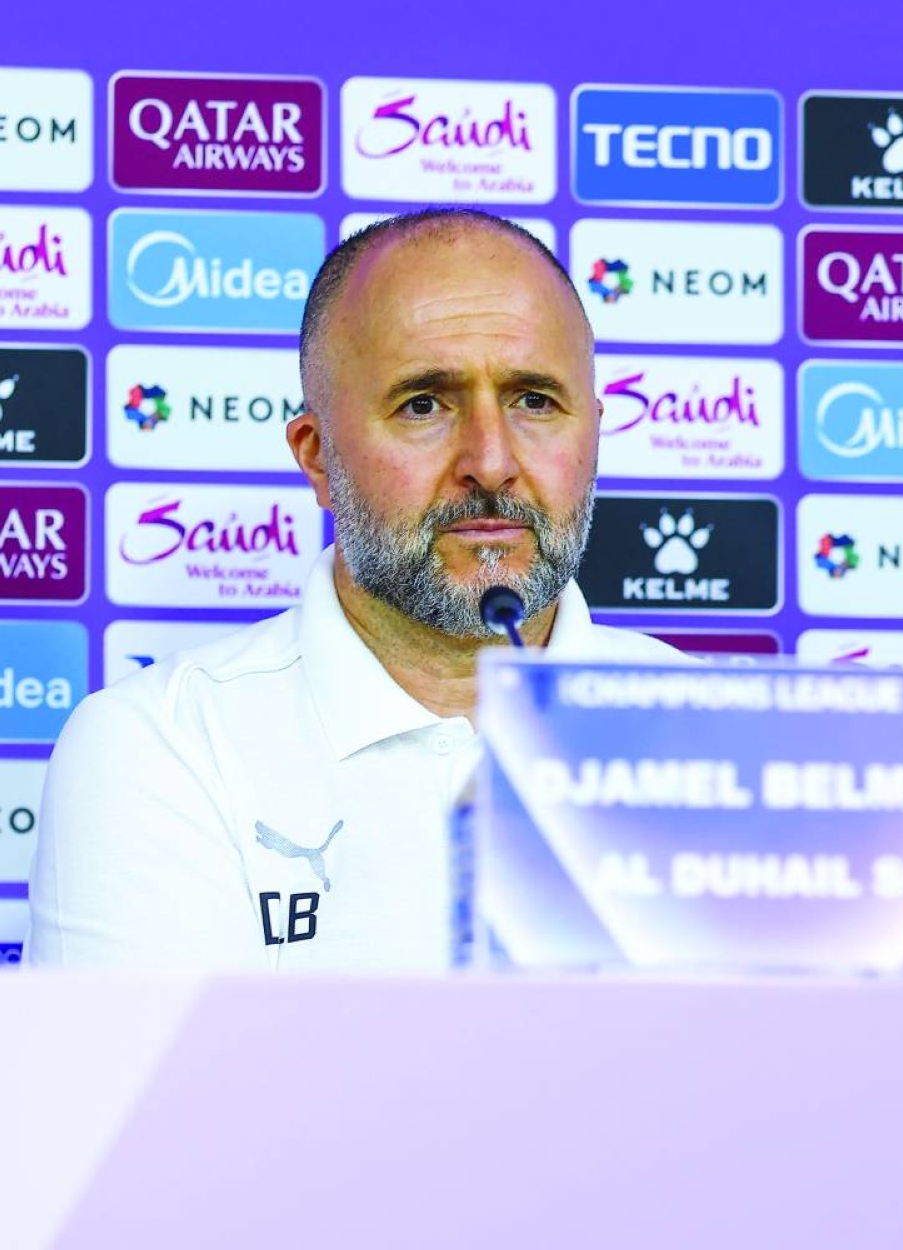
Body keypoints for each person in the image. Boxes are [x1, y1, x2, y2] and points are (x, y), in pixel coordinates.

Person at [27, 210, 691, 971]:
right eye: (424, 405)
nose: (492, 460)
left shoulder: (725, 732)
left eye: (534, 400)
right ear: (317, 459)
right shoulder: (167, 746)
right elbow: (152, 1089)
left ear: (594, 432)